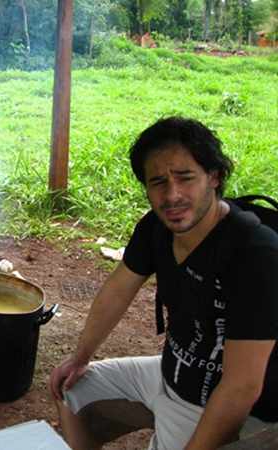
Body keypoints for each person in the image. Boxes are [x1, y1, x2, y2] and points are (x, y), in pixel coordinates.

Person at [49, 116, 278, 450]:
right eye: (158, 182)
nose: (172, 195)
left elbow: (242, 386)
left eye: (185, 178)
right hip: (169, 375)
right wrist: (80, 357)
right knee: (71, 390)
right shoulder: (156, 228)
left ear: (214, 177)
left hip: (223, 405)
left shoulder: (255, 254)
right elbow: (117, 291)